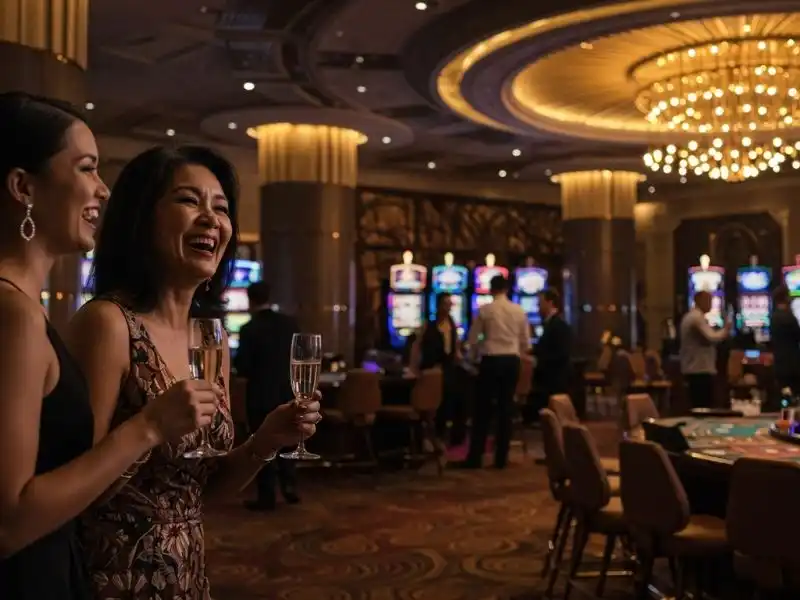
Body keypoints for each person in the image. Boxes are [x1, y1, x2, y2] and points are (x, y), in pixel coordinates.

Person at [67, 145, 322, 599]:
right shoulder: (108, 323)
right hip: (113, 579)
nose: (210, 218)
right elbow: (72, 496)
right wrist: (148, 427)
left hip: (187, 578)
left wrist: (265, 441)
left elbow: (199, 493)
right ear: (142, 219)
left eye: (220, 208)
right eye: (189, 201)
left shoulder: (211, 338)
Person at [0, 93, 219, 599]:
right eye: (86, 168)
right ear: (23, 187)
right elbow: (9, 522)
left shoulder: (25, 310)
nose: (102, 188)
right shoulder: (13, 314)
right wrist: (147, 427)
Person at [234, 281, 301, 511]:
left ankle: (267, 495)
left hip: (260, 394)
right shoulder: (290, 324)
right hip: (287, 391)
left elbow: (243, 366)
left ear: (250, 300)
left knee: (263, 443)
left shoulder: (249, 329)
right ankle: (290, 486)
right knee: (287, 439)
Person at [464, 275, 530, 469]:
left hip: (491, 360)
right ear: (507, 289)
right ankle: (501, 458)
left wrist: (471, 359)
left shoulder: (485, 310)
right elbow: (525, 342)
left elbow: (473, 341)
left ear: (491, 289)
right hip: (511, 360)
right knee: (505, 409)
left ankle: (476, 456)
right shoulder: (519, 311)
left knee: (482, 409)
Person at [409, 293, 466, 445]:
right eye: (445, 304)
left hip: (448, 369)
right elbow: (417, 347)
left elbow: (455, 348)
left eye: (450, 304)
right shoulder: (429, 324)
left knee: (454, 398)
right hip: (430, 369)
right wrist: (413, 368)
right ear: (438, 305)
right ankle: (430, 435)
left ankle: (446, 435)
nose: (448, 307)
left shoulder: (452, 324)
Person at [679, 290, 732, 409]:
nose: (711, 305)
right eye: (708, 301)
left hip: (697, 368)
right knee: (702, 407)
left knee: (701, 405)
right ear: (699, 301)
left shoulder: (693, 316)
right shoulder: (696, 318)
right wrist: (726, 329)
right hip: (698, 369)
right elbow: (712, 337)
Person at [532, 289, 573, 415]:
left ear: (550, 303)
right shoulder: (550, 323)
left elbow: (561, 353)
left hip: (555, 379)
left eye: (540, 303)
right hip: (550, 377)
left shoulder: (559, 325)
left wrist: (538, 361)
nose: (538, 307)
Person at [770, 284, 800, 393]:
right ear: (786, 298)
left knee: (783, 395)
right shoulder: (789, 317)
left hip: (779, 364)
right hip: (793, 365)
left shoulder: (774, 317)